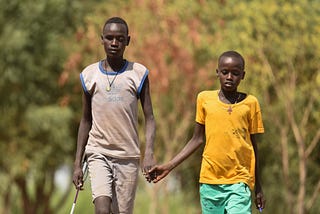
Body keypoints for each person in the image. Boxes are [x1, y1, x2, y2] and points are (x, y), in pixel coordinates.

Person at [147, 51, 266, 213]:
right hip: (210, 181)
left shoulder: (251, 103)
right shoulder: (204, 99)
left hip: (240, 180)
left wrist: (258, 185)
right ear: (217, 72)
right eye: (225, 72)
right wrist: (169, 166)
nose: (229, 77)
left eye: (235, 73)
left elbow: (254, 146)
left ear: (243, 75)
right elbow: (197, 139)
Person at [72, 17, 156, 214]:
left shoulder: (138, 73)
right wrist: (77, 163)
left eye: (119, 38)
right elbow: (85, 120)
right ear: (102, 39)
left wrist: (149, 152)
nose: (114, 43)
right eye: (109, 38)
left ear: (128, 40)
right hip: (98, 151)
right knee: (102, 210)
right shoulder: (89, 75)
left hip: (128, 155)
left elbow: (150, 117)